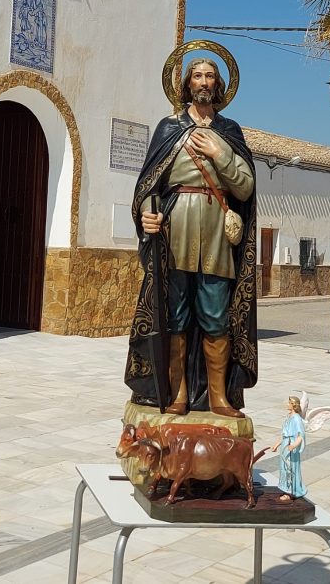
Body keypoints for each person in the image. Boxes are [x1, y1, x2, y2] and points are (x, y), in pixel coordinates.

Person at [124, 58, 257, 418]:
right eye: (197, 76)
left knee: (216, 316)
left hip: (215, 235)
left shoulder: (229, 131)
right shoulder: (169, 127)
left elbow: (244, 188)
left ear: (218, 85)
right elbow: (150, 183)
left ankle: (218, 397)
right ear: (187, 84)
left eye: (210, 76)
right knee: (176, 315)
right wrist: (147, 214)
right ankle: (178, 392)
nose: (204, 82)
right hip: (175, 231)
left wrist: (220, 153)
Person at [271, 396, 307, 500]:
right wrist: (276, 445)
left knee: (290, 468)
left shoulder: (296, 419)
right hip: (285, 445)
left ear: (293, 405)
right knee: (284, 468)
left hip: (291, 447)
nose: (287, 404)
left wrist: (294, 445)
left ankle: (290, 492)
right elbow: (283, 434)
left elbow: (301, 435)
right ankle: (286, 489)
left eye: (289, 403)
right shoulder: (289, 416)